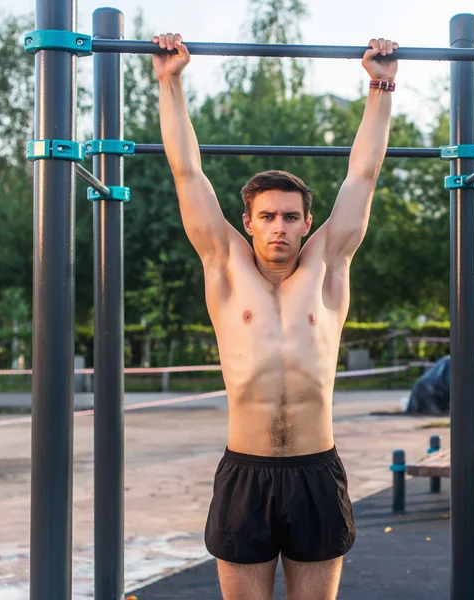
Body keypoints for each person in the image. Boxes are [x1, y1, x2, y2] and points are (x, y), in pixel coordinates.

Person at [151, 32, 398, 600]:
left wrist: (380, 86)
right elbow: (187, 173)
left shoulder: (329, 269)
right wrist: (170, 82)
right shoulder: (225, 266)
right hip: (245, 472)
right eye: (268, 217)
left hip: (316, 471)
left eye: (291, 216)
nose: (279, 227)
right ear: (248, 222)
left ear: (308, 223)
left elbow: (362, 176)